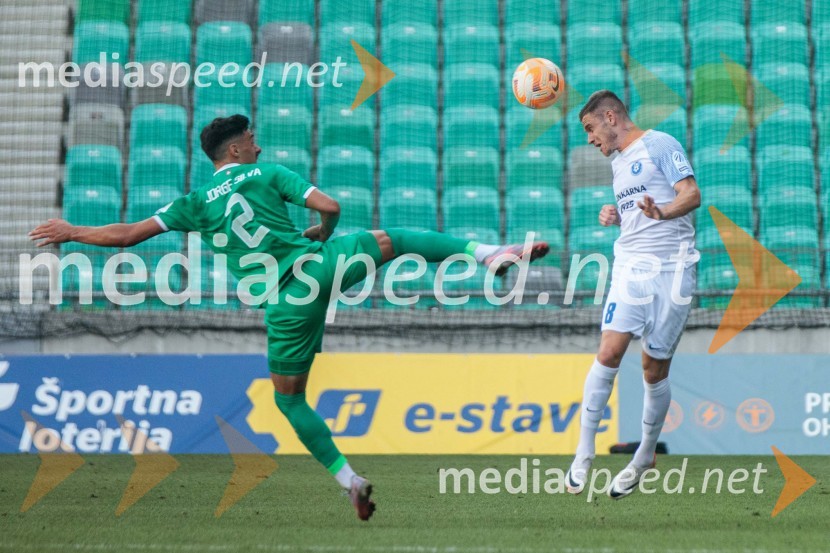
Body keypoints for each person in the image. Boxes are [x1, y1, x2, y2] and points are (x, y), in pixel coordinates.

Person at [29, 114, 550, 520]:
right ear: (235, 149)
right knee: (394, 240)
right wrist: (323, 232)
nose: (259, 145)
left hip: (285, 302)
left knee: (289, 399)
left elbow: (127, 237)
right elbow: (330, 206)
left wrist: (72, 231)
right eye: (252, 139)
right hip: (320, 265)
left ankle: (349, 482)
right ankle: (486, 253)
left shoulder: (192, 203)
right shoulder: (266, 172)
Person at [564, 91, 701, 499]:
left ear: (610, 117)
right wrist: (616, 214)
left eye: (591, 128)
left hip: (674, 270)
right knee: (608, 351)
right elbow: (636, 210)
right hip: (631, 267)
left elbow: (690, 194)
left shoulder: (660, 144)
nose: (590, 138)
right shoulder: (619, 163)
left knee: (653, 370)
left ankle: (644, 455)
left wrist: (663, 212)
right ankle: (583, 450)